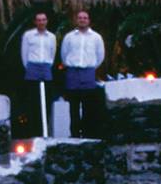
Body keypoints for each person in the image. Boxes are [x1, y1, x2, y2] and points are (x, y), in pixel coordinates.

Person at [59, 9, 107, 138]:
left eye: (85, 18)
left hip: (88, 73)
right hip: (72, 73)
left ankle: (87, 133)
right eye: (80, 18)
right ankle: (74, 134)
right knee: (73, 105)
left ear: (89, 20)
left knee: (88, 105)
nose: (82, 20)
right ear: (76, 20)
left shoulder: (96, 37)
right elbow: (64, 54)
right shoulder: (69, 37)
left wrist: (91, 67)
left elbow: (100, 56)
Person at [17, 10, 58, 140]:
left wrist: (46, 66)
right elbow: (24, 54)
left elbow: (52, 53)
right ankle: (32, 132)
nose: (41, 22)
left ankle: (44, 130)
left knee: (46, 100)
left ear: (47, 21)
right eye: (39, 20)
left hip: (46, 68)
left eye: (43, 20)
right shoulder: (28, 35)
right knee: (32, 101)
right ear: (35, 22)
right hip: (32, 68)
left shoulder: (51, 37)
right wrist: (29, 67)